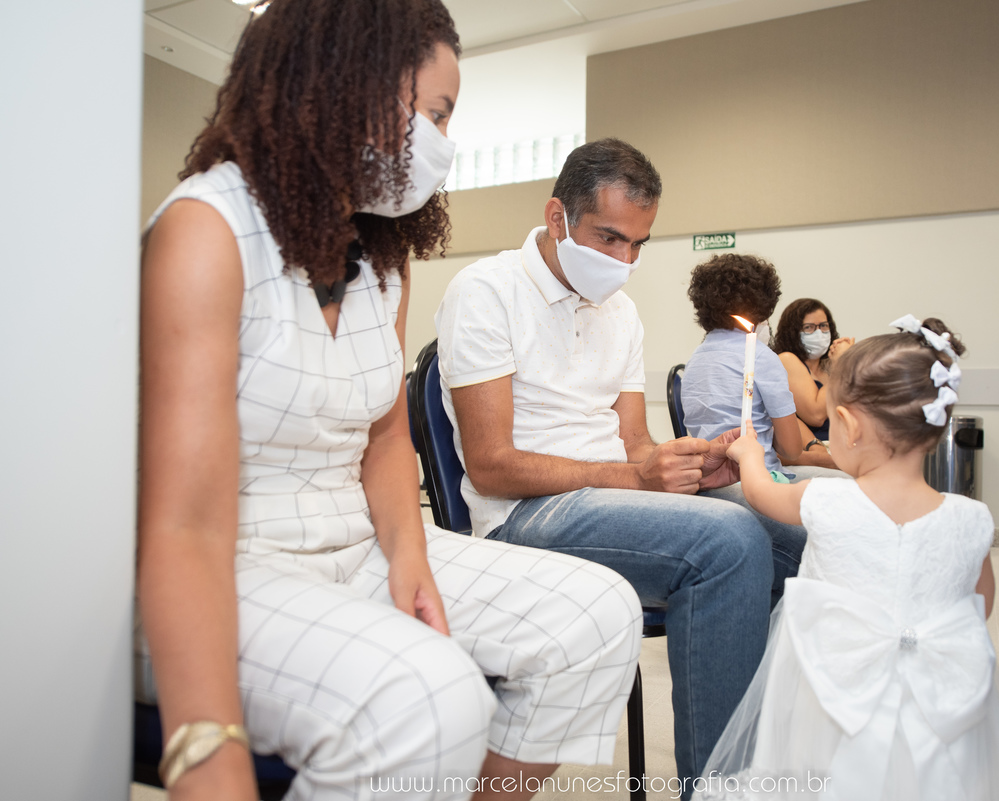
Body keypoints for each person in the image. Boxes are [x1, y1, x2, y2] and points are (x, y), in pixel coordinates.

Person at [136, 3, 642, 800]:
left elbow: (384, 438)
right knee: (431, 700)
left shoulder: (381, 257)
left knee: (599, 615)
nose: (443, 141)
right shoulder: (209, 229)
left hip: (359, 541)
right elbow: (181, 525)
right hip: (228, 561)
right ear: (348, 86)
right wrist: (207, 746)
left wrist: (411, 556)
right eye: (436, 114)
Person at [434, 138, 807, 797]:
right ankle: (718, 789)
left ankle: (765, 761)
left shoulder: (622, 312)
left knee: (798, 534)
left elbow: (634, 443)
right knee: (728, 541)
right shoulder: (486, 291)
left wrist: (683, 465)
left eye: (638, 244)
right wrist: (636, 477)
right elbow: (492, 466)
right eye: (609, 238)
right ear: (557, 217)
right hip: (523, 513)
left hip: (610, 497)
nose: (624, 261)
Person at [697, 315, 999, 801]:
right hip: (940, 710)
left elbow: (758, 493)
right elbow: (978, 605)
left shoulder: (824, 499)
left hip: (835, 698)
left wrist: (750, 455)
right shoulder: (972, 518)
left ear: (850, 425)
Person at [681, 254, 843, 481]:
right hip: (760, 477)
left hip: (707, 478)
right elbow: (791, 450)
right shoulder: (761, 357)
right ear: (764, 303)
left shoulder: (694, 361)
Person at [773, 298, 854, 441]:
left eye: (823, 326)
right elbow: (816, 416)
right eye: (809, 327)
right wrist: (841, 363)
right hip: (814, 447)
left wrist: (852, 359)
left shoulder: (829, 365)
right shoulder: (787, 359)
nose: (819, 333)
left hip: (844, 443)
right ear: (792, 332)